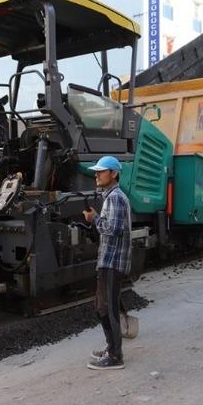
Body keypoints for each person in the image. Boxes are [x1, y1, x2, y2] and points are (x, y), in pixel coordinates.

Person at [83, 155, 131, 371]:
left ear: (113, 174)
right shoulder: (111, 196)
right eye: (97, 171)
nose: (97, 174)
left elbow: (114, 230)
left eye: (101, 171)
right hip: (107, 261)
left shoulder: (115, 198)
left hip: (112, 262)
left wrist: (94, 220)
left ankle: (115, 356)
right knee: (101, 307)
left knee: (108, 308)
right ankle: (111, 347)